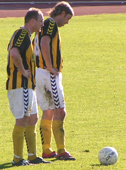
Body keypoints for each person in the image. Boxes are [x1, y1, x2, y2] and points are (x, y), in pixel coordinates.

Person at [6, 8, 50, 166]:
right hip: (20, 85)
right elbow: (14, 53)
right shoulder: (22, 34)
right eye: (40, 20)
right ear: (32, 21)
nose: (42, 24)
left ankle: (32, 156)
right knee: (23, 119)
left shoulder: (27, 37)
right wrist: (22, 70)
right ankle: (17, 159)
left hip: (27, 86)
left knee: (33, 118)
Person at [34, 1, 76, 160]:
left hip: (39, 73)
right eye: (68, 19)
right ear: (63, 13)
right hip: (48, 73)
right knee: (60, 111)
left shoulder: (42, 25)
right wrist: (51, 66)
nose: (67, 23)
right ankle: (61, 150)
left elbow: (36, 45)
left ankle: (47, 150)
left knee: (49, 111)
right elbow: (44, 43)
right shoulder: (51, 23)